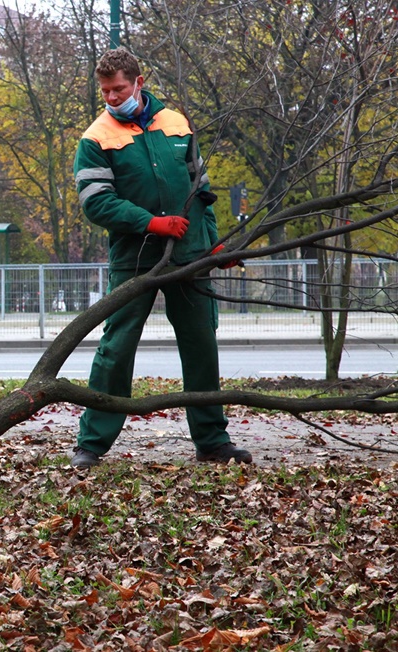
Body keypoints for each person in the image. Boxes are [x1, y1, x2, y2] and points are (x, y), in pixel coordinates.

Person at [70, 47, 252, 469]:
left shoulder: (177, 124)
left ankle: (212, 441)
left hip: (190, 257)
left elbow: (201, 193)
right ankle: (91, 444)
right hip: (135, 261)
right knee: (116, 348)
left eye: (119, 89)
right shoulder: (95, 139)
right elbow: (96, 203)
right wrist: (152, 223)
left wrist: (214, 247)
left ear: (139, 82)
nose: (113, 98)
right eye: (106, 91)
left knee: (201, 344)